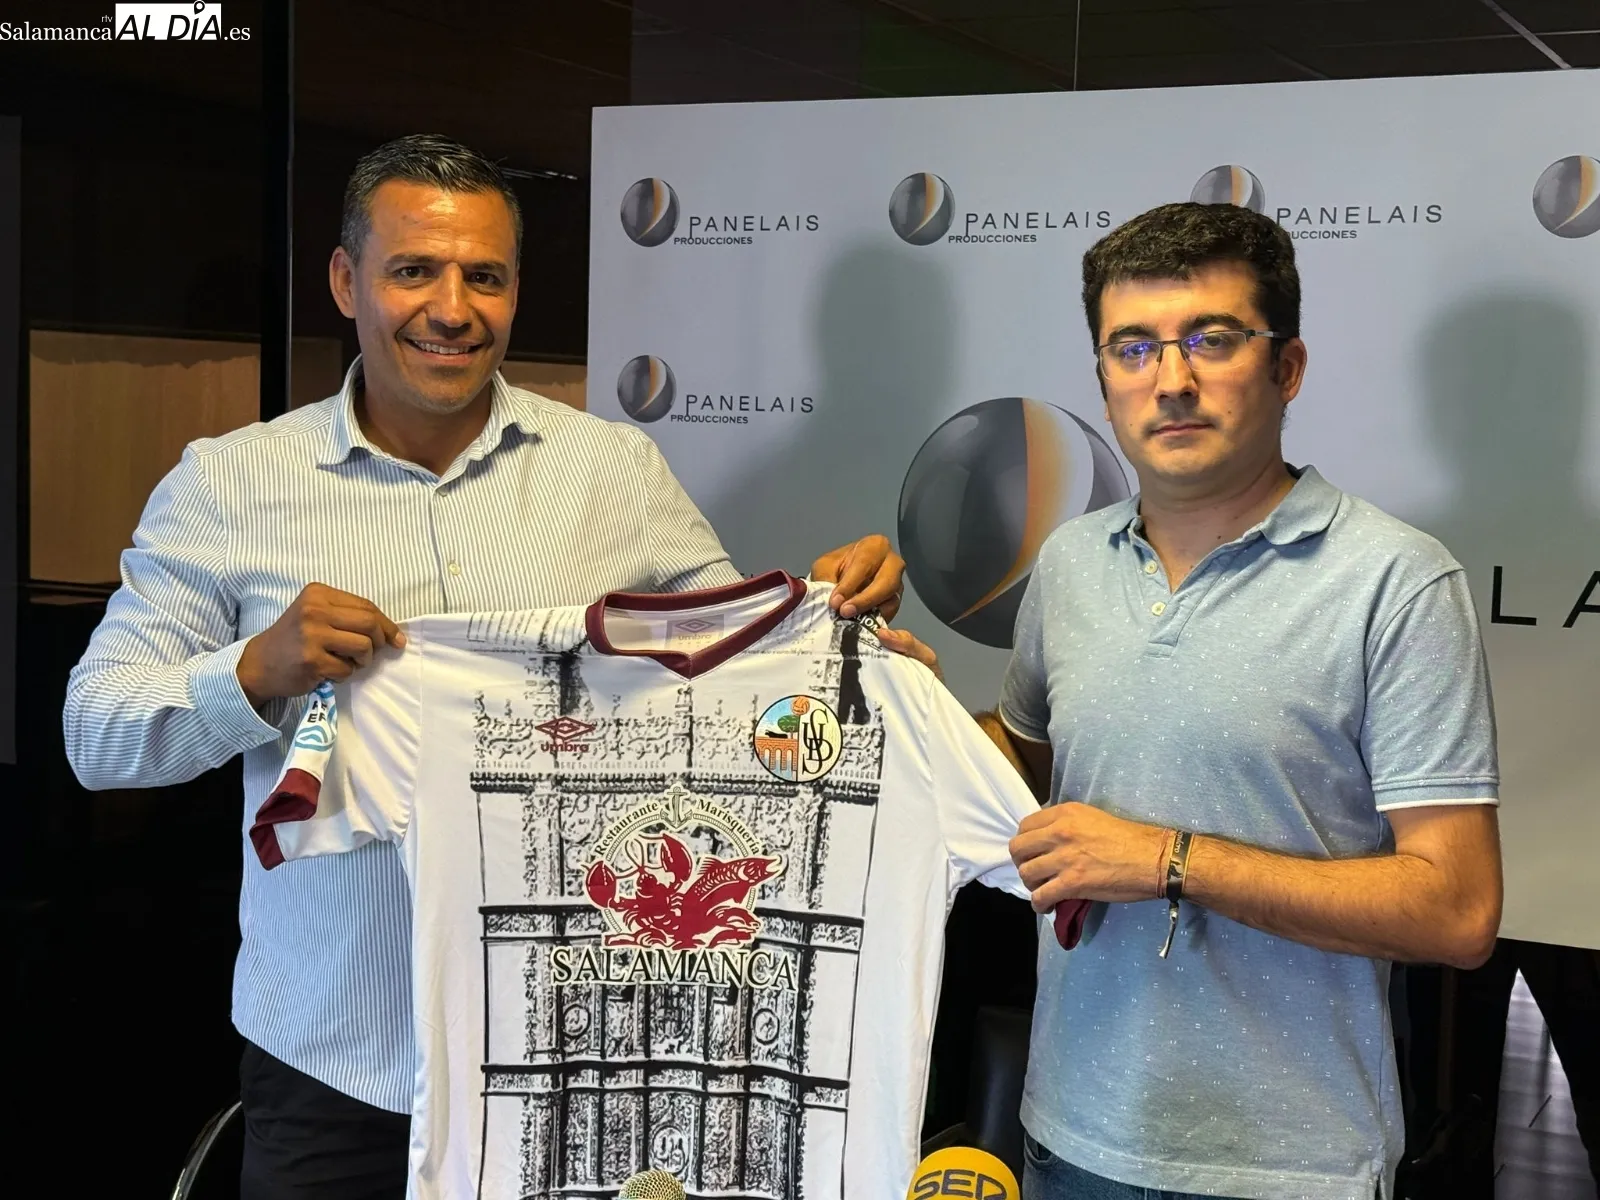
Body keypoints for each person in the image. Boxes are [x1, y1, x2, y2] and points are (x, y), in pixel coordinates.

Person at [61, 134, 907, 1200]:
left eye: (485, 277)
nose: (452, 309)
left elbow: (729, 664)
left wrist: (842, 637)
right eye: (414, 270)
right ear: (346, 281)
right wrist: (253, 671)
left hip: (574, 1051)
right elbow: (96, 734)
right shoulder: (230, 486)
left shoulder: (614, 472)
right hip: (337, 1059)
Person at [912, 201, 1503, 1200]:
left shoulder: (1394, 582)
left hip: (1289, 1166)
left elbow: (1457, 911)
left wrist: (1171, 861)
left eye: (1212, 340)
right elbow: (1034, 775)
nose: (1171, 379)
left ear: (1287, 366)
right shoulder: (1069, 563)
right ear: (1104, 378)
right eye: (1133, 348)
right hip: (1070, 1134)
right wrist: (891, 685)